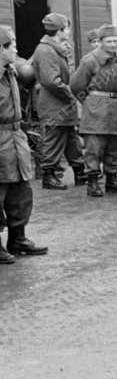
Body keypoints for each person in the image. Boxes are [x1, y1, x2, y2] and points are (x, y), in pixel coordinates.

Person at [0, 27, 47, 263]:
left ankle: (18, 239)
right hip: (0, 141)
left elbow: (31, 73)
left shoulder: (11, 72)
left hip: (16, 139)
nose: (16, 49)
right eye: (12, 45)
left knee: (21, 192)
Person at [69, 24, 117, 197]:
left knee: (116, 145)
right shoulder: (90, 61)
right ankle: (93, 183)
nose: (112, 44)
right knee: (94, 147)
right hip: (97, 110)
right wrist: (90, 101)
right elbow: (75, 86)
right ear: (101, 42)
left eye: (115, 41)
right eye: (109, 41)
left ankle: (112, 180)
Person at [32, 13, 86, 190]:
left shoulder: (55, 47)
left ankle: (79, 171)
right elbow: (51, 81)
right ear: (60, 30)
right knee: (53, 140)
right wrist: (70, 93)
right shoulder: (46, 50)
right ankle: (49, 176)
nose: (69, 31)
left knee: (71, 140)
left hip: (61, 104)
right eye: (67, 28)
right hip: (54, 104)